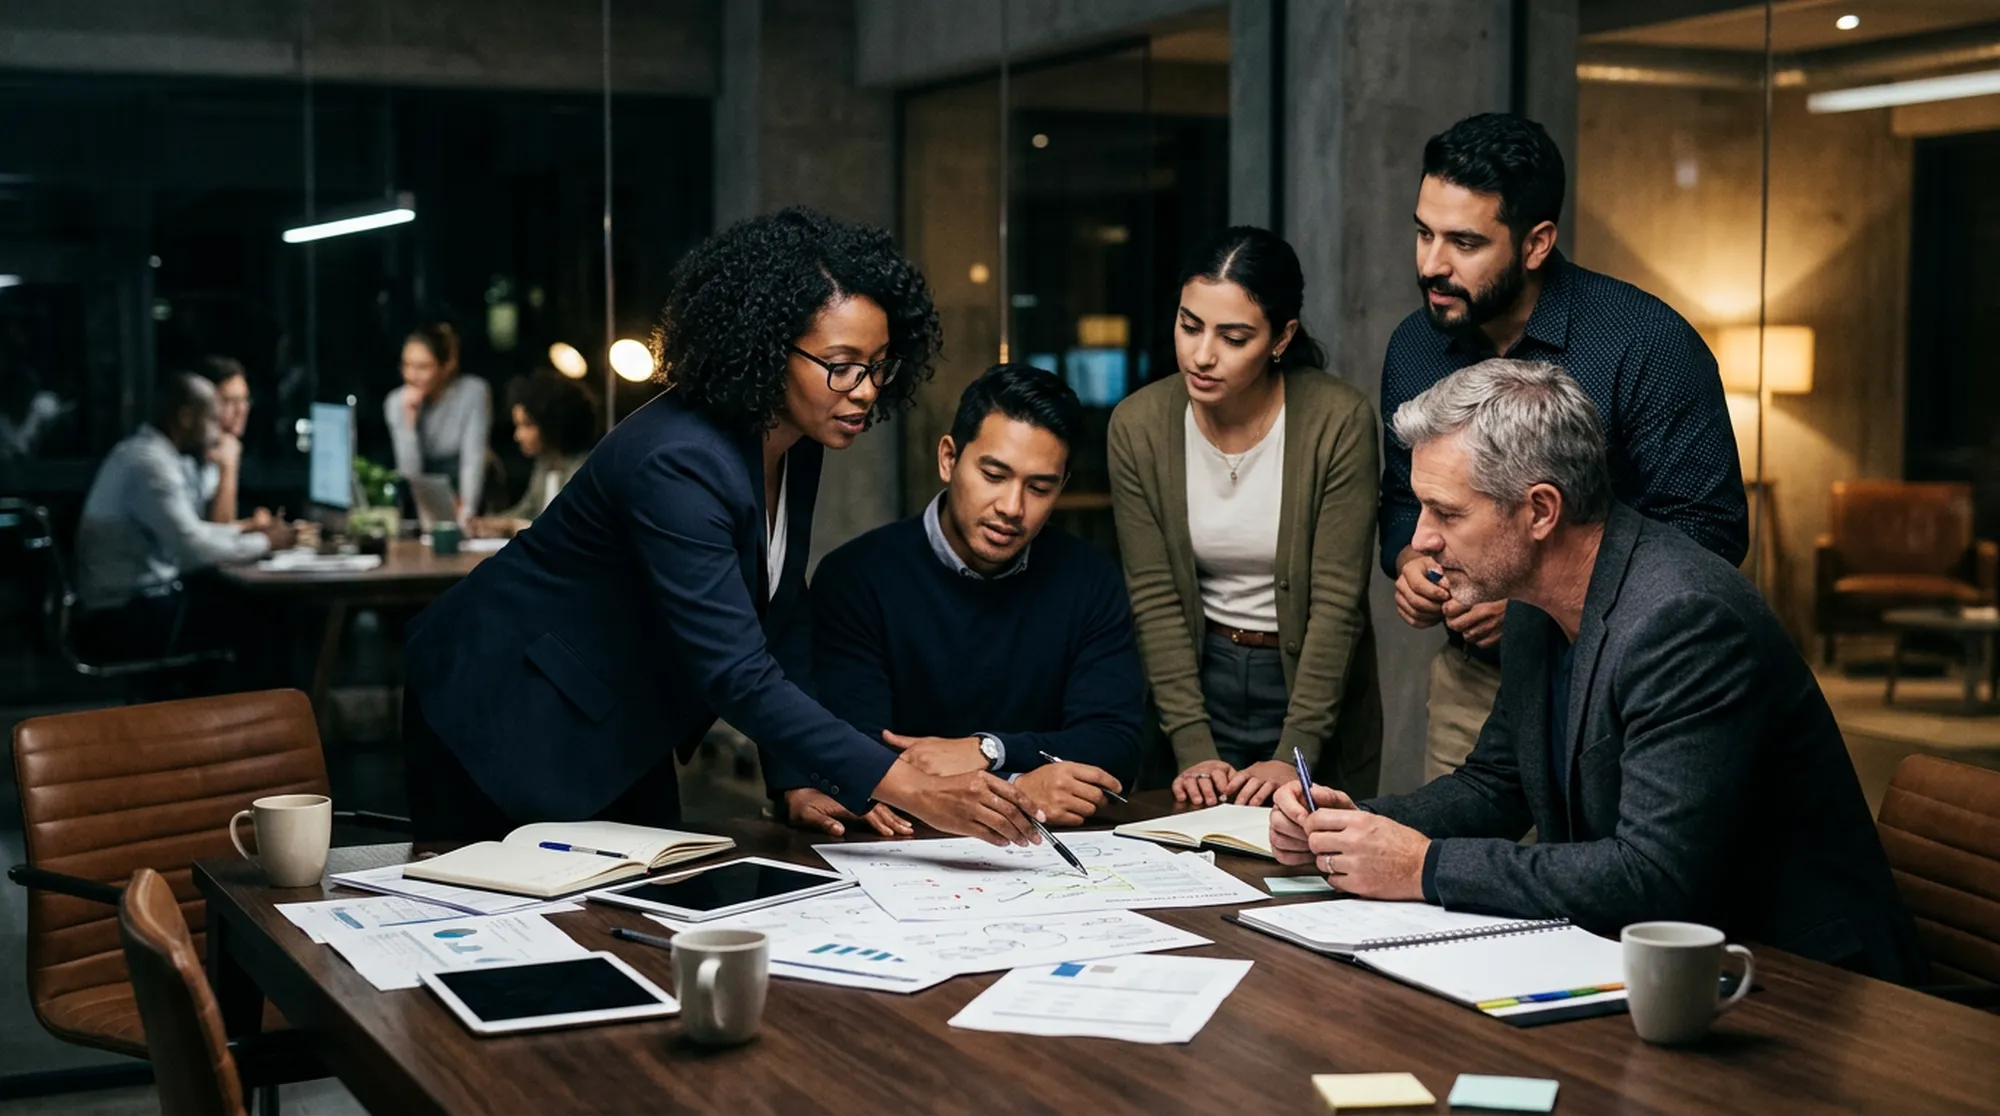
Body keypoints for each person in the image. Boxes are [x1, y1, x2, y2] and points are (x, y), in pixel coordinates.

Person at [401, 207, 1048, 848]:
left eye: (879, 366)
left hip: (618, 713)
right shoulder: (679, 459)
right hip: (503, 708)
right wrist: (904, 783)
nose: (865, 390)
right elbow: (737, 671)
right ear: (767, 348)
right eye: (842, 364)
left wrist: (797, 774)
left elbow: (783, 608)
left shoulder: (796, 436)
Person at [1272, 359, 1924, 983]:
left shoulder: (1685, 620)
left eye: (1447, 512)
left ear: (1540, 511)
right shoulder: (1536, 597)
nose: (1421, 540)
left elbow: (1654, 877)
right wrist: (1352, 826)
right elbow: (1498, 784)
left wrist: (1423, 865)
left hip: (1802, 985)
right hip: (1655, 964)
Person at [1378, 113, 1748, 783]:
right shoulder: (1414, 346)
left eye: (1464, 242)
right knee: (1446, 873)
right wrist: (1408, 558)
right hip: (1472, 687)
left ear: (1537, 242)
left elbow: (1709, 536)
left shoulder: (1646, 344)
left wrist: (1527, 600)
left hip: (1622, 688)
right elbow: (1403, 498)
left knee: (1590, 880)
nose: (1432, 264)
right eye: (1424, 233)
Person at [782, 365, 1144, 837]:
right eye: (994, 475)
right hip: (899, 852)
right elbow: (855, 753)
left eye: (1039, 487)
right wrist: (1021, 785)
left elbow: (1115, 747)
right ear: (949, 459)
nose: (1012, 507)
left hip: (1042, 856)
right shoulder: (857, 577)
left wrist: (988, 749)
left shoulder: (1089, 579)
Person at [1109, 226, 1382, 810]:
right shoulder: (1139, 426)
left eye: (1233, 337)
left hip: (1310, 687)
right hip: (1196, 681)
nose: (1202, 355)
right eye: (1189, 326)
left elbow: (1338, 604)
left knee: (1310, 871)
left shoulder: (1338, 420)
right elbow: (1153, 596)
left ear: (1282, 337)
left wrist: (1295, 754)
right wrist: (1190, 743)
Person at [74, 373, 296, 659]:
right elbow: (191, 548)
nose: (218, 432)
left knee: (243, 609)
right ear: (186, 417)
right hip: (122, 615)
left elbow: (195, 531)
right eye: (212, 419)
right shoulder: (149, 464)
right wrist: (265, 544)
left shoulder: (153, 454)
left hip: (132, 604)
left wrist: (249, 534)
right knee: (260, 619)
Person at [469, 373, 598, 538]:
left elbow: (565, 531)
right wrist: (487, 523)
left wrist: (512, 525)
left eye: (527, 425)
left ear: (552, 423)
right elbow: (526, 510)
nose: (518, 435)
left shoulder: (584, 472)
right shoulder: (545, 465)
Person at [385, 321, 493, 516]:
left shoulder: (473, 392)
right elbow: (408, 476)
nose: (411, 375)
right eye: (406, 365)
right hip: (421, 505)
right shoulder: (396, 402)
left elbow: (473, 461)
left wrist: (466, 516)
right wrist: (408, 425)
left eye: (423, 367)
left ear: (446, 366)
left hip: (468, 500)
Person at [187, 355, 261, 526]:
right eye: (229, 401)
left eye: (244, 400)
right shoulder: (186, 457)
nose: (241, 410)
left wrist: (251, 526)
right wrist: (229, 466)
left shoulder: (221, 448)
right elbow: (216, 532)